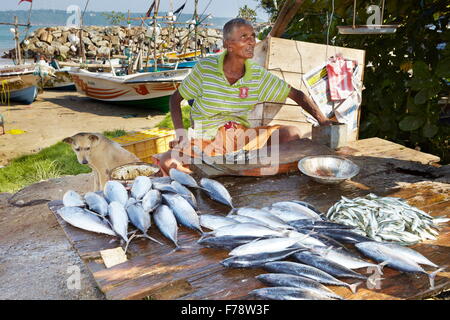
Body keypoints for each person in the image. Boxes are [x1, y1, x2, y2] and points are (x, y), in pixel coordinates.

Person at [157, 18, 332, 175]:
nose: (252, 41)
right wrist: (181, 134)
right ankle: (227, 171)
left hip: (242, 139)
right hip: (206, 140)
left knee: (291, 133)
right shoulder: (205, 69)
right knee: (167, 161)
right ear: (228, 44)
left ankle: (240, 170)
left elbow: (297, 94)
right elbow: (175, 99)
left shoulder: (257, 75)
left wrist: (323, 121)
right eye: (244, 37)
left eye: (253, 36)